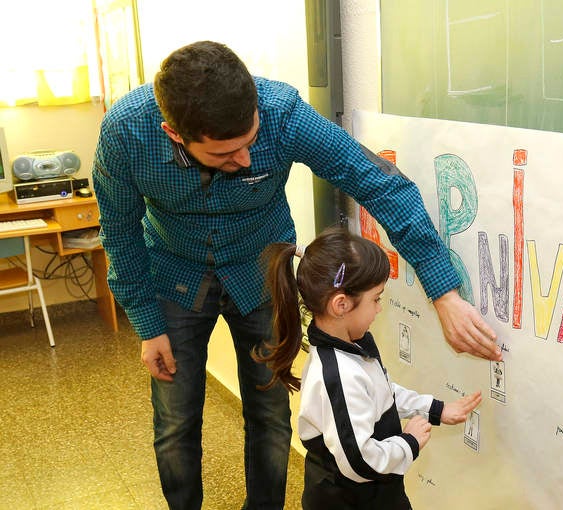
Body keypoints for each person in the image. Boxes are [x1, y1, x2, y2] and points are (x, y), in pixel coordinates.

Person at [91, 40, 499, 509]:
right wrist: (147, 325)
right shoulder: (125, 134)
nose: (244, 160)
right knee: (176, 421)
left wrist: (443, 292)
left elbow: (379, 183)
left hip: (261, 278)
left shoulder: (282, 113)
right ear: (175, 134)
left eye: (249, 143)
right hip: (174, 280)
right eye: (225, 155)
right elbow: (119, 235)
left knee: (269, 414)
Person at [255, 227, 482, 509]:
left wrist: (437, 410)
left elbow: (380, 394)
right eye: (376, 299)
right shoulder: (339, 375)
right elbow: (360, 462)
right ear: (341, 305)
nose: (379, 309)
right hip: (350, 498)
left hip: (377, 490)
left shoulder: (353, 345)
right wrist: (409, 443)